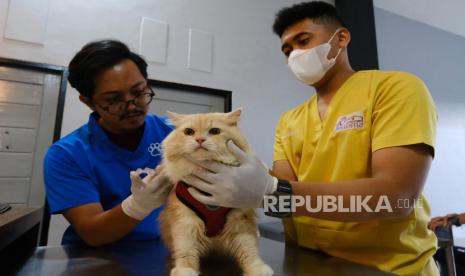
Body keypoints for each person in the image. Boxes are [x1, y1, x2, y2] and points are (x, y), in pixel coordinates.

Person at [183, 2, 439, 275]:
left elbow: (396, 198)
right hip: (311, 264)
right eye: (287, 50)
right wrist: (231, 182)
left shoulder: (395, 89)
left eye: (303, 41)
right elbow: (282, 203)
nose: (294, 54)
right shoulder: (290, 120)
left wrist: (272, 189)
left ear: (341, 38)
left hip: (391, 268)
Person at [43, 40, 172, 246]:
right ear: (88, 101)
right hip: (98, 259)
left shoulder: (175, 132)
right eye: (114, 99)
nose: (131, 106)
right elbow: (93, 233)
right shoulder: (66, 154)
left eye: (139, 92)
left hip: (168, 250)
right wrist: (138, 205)